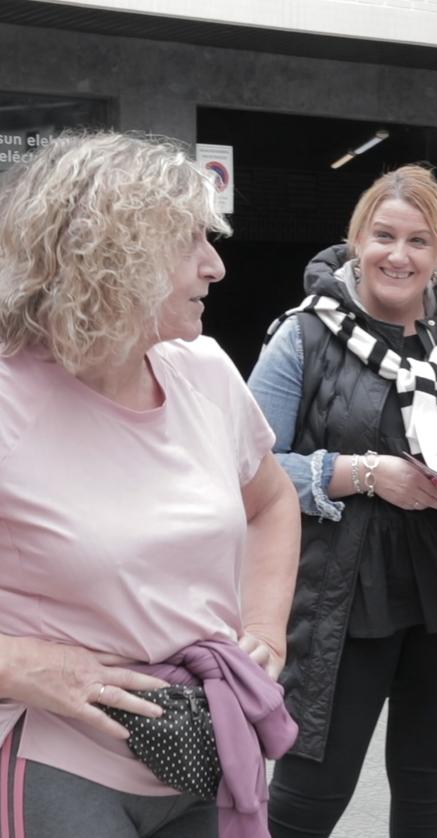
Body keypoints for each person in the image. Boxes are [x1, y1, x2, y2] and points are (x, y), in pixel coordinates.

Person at [0, 132, 300, 836]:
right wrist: (17, 665)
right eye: (190, 241)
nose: (217, 266)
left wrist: (264, 628)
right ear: (111, 256)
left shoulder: (205, 372)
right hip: (57, 763)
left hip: (201, 750)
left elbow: (273, 502)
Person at [249, 164, 437, 838]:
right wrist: (365, 473)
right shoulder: (304, 335)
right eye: (384, 235)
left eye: (418, 242)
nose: (398, 255)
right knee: (309, 793)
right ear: (357, 240)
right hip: (344, 595)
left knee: (431, 788)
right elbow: (247, 470)